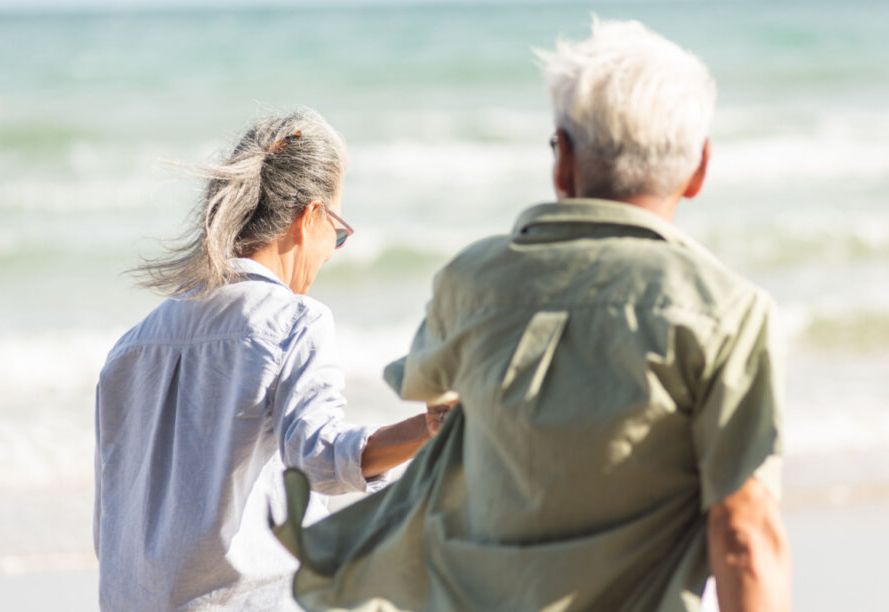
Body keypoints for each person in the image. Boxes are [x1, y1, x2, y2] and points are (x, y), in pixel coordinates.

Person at [272, 18, 790, 612]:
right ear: (699, 169)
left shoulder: (472, 280)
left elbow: (425, 388)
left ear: (562, 161)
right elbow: (744, 532)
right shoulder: (730, 314)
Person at [94, 109, 448, 611]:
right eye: (339, 233)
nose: (333, 252)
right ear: (310, 218)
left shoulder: (130, 347)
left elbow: (111, 521)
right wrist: (430, 426)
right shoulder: (295, 321)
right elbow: (321, 461)